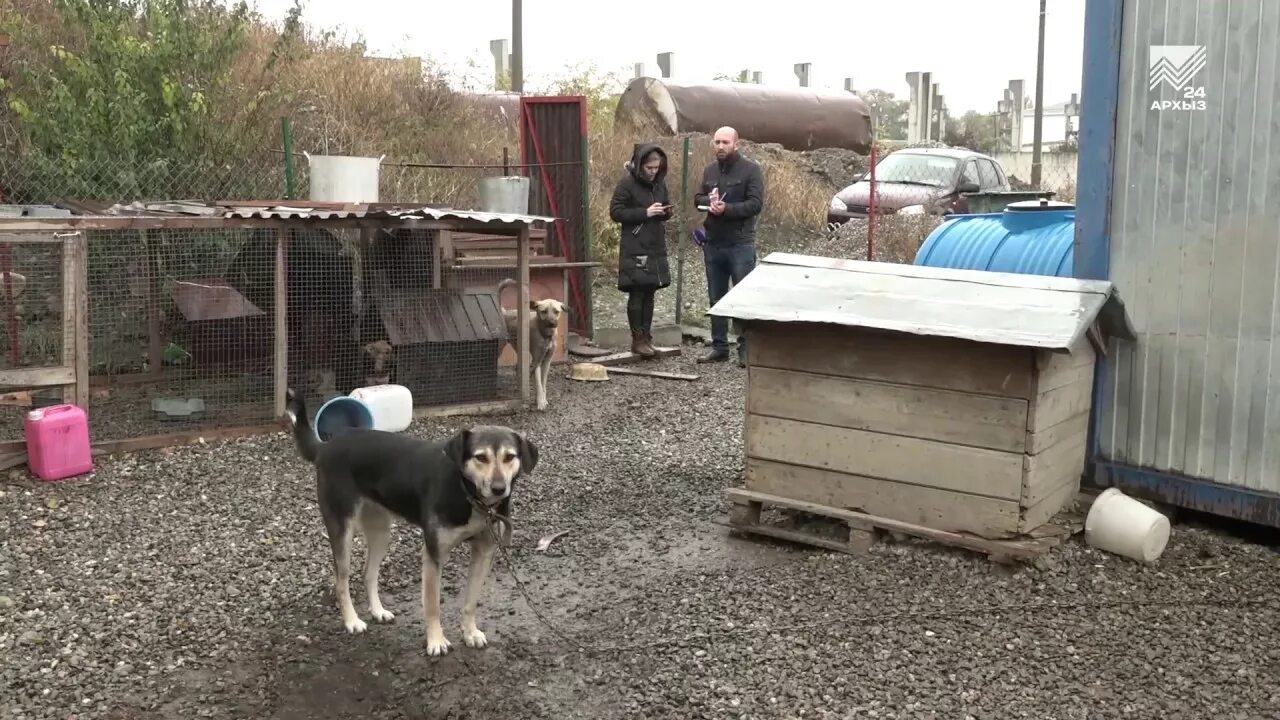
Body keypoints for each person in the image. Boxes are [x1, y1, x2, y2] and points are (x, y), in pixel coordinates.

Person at [692, 126, 765, 367]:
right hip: (713, 243)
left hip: (740, 243)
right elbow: (697, 199)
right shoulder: (709, 170)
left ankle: (746, 350)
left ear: (737, 144)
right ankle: (719, 347)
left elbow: (755, 204)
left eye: (725, 142)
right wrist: (708, 202)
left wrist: (728, 209)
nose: (721, 146)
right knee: (716, 298)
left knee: (743, 298)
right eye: (717, 142)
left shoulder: (751, 170)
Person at [609, 142, 673, 358]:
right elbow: (616, 212)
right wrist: (644, 213)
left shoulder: (659, 185)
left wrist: (665, 212)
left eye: (657, 168)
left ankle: (647, 337)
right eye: (649, 168)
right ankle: (637, 340)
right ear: (639, 165)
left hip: (654, 244)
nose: (654, 172)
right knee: (637, 291)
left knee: (650, 290)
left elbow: (664, 206)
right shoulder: (626, 184)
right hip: (635, 245)